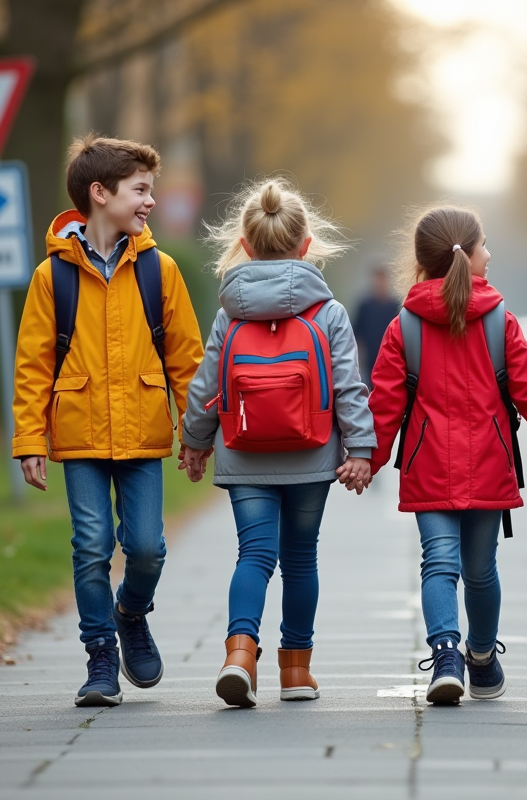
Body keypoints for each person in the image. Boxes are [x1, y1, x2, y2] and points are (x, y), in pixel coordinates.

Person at [12, 134, 204, 707]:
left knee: (147, 548)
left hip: (143, 431)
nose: (150, 201)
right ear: (100, 193)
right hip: (80, 433)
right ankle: (100, 658)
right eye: (140, 190)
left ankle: (130, 613)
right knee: (91, 546)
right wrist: (29, 438)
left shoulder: (159, 270)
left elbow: (187, 359)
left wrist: (195, 434)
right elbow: (32, 364)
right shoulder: (53, 277)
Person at [179, 177, 376, 708]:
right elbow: (348, 386)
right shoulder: (327, 313)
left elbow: (206, 385)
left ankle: (240, 654)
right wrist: (360, 450)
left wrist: (195, 442)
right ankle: (295, 671)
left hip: (245, 451)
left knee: (254, 553)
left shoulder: (229, 313)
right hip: (311, 454)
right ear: (306, 245)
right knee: (301, 558)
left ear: (244, 245)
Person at [367, 205, 527, 705]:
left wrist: (365, 460)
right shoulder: (500, 321)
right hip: (491, 465)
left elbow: (385, 405)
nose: (489, 253)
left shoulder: (404, 326)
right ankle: (478, 656)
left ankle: (447, 655)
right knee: (481, 570)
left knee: (439, 564)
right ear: (469, 256)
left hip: (426, 466)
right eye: (485, 246)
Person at [354, 265, 401, 386]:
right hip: (370, 359)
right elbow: (356, 335)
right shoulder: (365, 306)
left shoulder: (395, 307)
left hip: (391, 359)